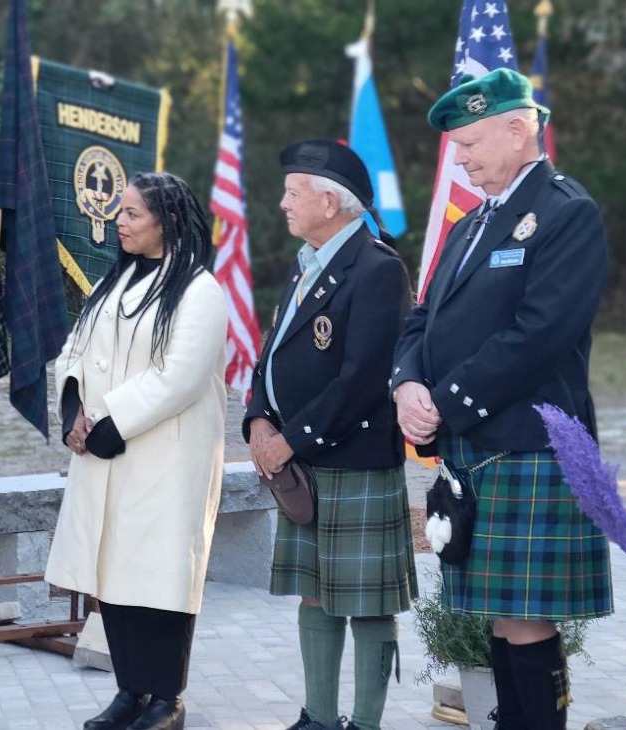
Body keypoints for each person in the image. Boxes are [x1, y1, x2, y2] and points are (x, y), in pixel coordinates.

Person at [392, 68, 613, 730]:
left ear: (519, 130)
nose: (459, 158)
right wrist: (406, 384)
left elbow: (539, 337)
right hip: (475, 446)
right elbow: (420, 320)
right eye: (457, 147)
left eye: (470, 143)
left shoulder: (567, 213)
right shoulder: (468, 226)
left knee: (524, 613)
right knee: (499, 609)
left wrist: (445, 403)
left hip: (529, 445)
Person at [44, 172, 228, 730]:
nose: (118, 222)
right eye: (119, 212)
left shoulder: (199, 292)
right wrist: (73, 405)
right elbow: (75, 349)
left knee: (161, 580)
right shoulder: (113, 284)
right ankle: (130, 692)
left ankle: (167, 699)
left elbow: (180, 378)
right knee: (115, 576)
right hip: (107, 454)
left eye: (131, 214)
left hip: (164, 461)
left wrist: (107, 424)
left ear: (166, 222)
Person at [244, 140, 416, 730]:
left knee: (367, 604)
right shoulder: (306, 263)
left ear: (330, 200)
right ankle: (318, 717)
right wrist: (258, 419)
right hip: (306, 460)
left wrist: (289, 442)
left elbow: (363, 379)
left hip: (355, 460)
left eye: (293, 193)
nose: (283, 204)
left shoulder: (377, 268)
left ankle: (364, 724)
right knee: (315, 593)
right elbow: (271, 356)